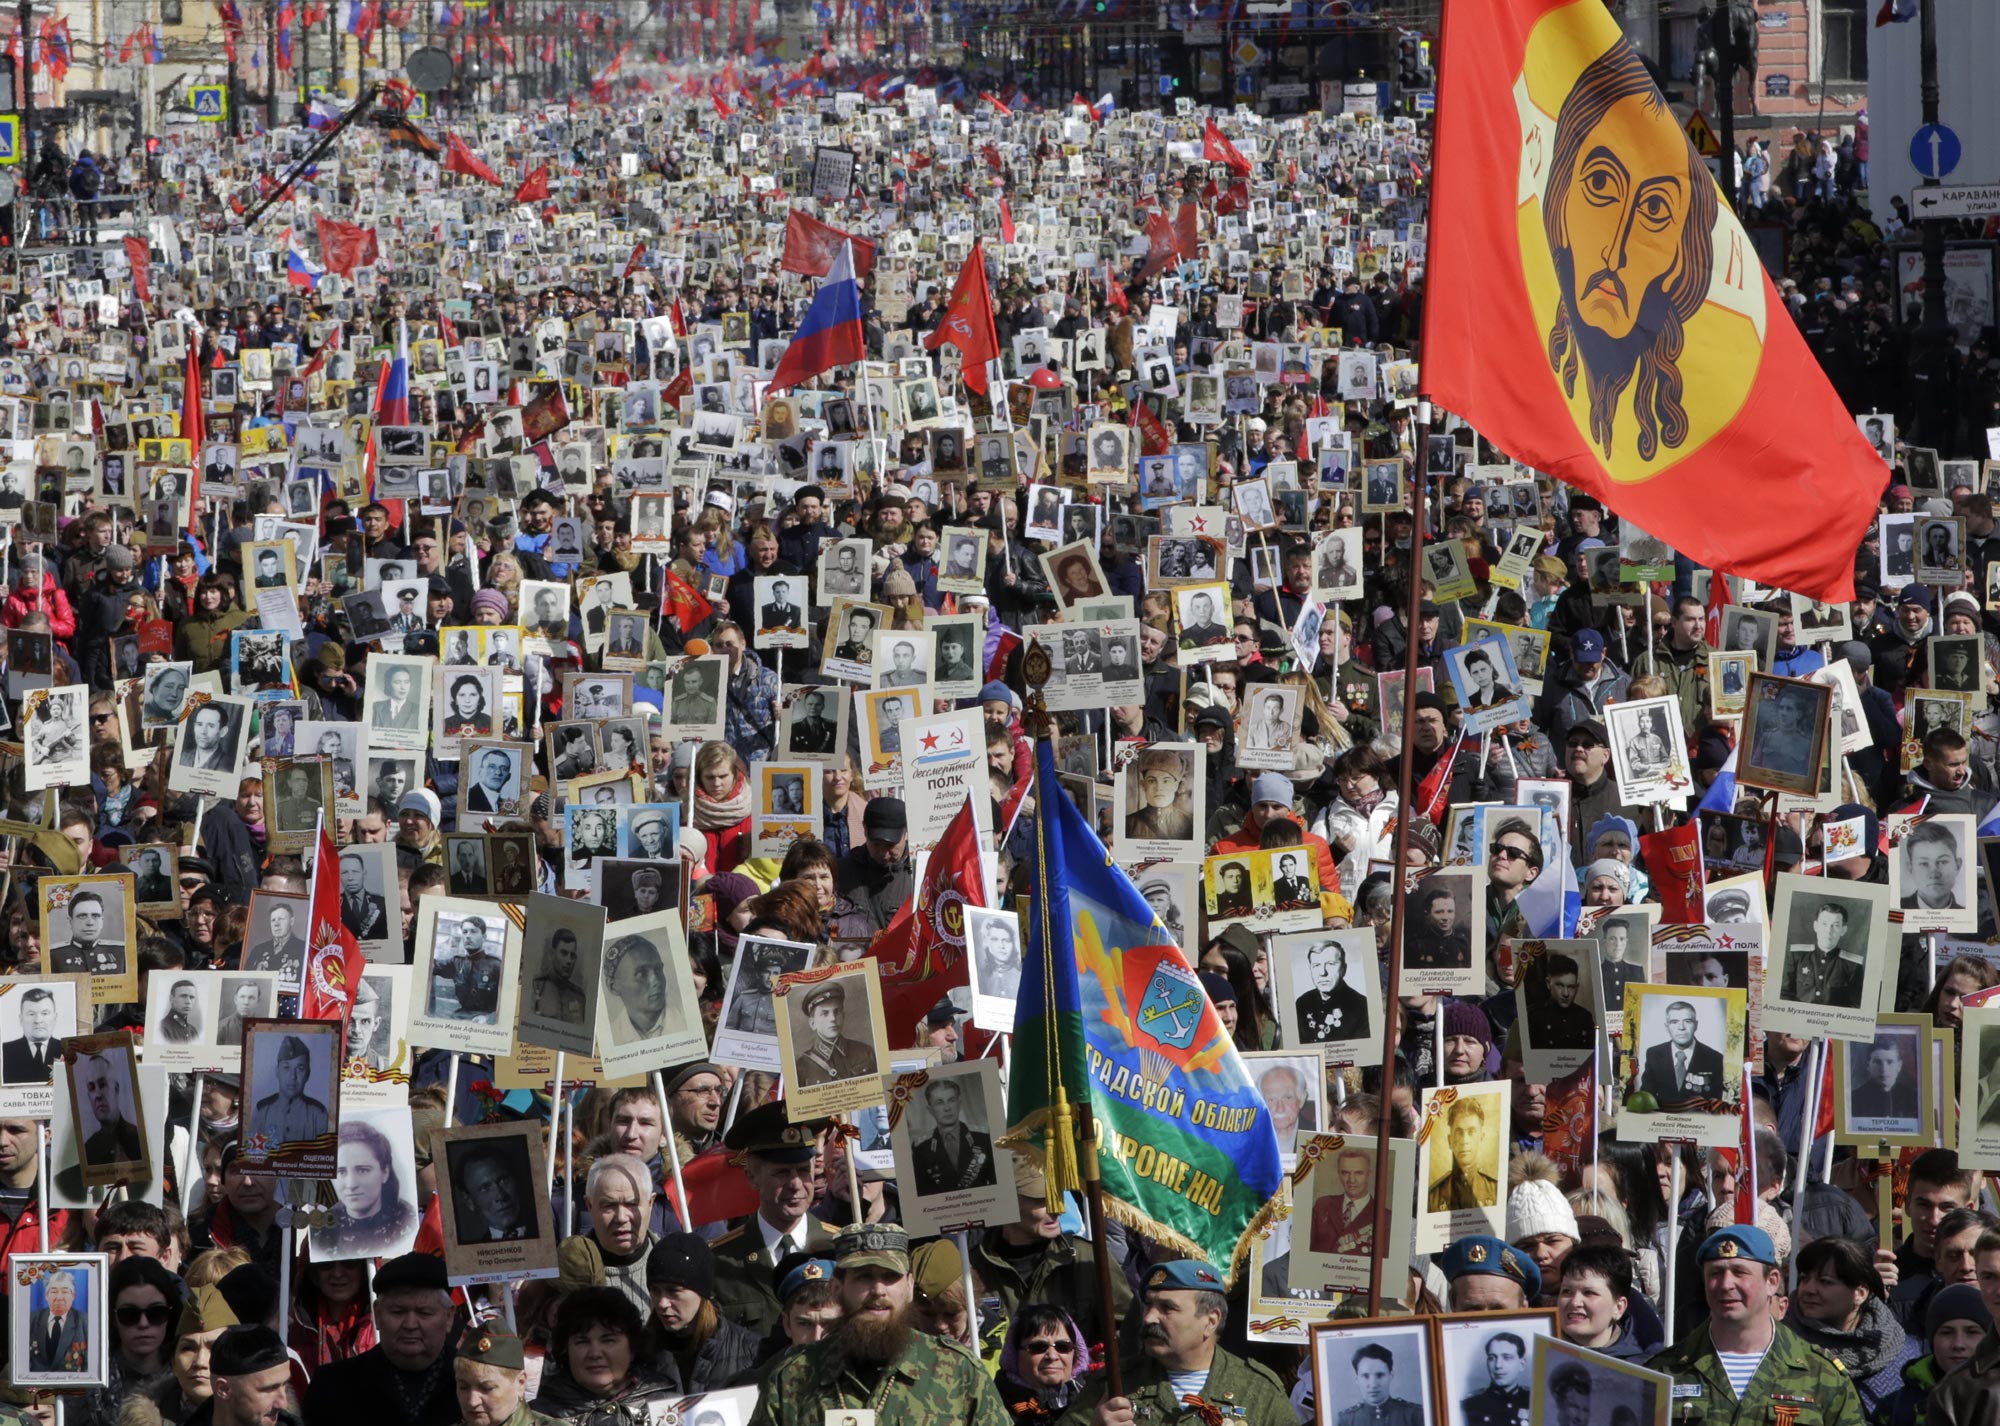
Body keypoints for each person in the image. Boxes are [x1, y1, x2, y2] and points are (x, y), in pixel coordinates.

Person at [1647, 1226, 1867, 1426]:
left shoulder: (1822, 1374)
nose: (1725, 1284)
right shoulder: (1665, 1372)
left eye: (1739, 1272)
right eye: (1715, 1273)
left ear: (1771, 1282)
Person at [1055, 1258, 1291, 1426]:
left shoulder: (1258, 1390)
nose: (1148, 1318)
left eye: (1167, 1308)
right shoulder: (1113, 1386)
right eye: (1148, 1305)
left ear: (1210, 1321)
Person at [712, 1103, 839, 1335]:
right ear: (752, 1177)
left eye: (803, 1170)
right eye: (781, 1172)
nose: (795, 1184)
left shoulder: (840, 1248)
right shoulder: (720, 1261)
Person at [302, 1253, 461, 1426]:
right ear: (377, 1314)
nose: (410, 1324)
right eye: (397, 1312)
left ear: (448, 1317)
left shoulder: (476, 1384)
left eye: (424, 1313)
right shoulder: (332, 1385)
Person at [911, 1077, 995, 1196]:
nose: (947, 1108)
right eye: (939, 1102)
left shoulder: (983, 1138)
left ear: (959, 1104)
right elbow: (922, 1192)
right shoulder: (921, 1148)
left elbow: (996, 1182)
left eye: (951, 1100)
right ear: (930, 1110)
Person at [1637, 999, 1725, 1105]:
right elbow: (1646, 1097)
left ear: (1696, 1025)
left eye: (1688, 1021)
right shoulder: (1654, 1054)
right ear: (1667, 1027)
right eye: (1674, 1022)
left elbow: (1716, 1102)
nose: (1681, 1027)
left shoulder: (1715, 1058)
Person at [792, 982, 876, 1086]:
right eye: (824, 1013)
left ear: (843, 1016)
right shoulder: (801, 1067)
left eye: (837, 1012)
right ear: (813, 1023)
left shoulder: (865, 1052)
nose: (833, 1018)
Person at [1785, 899, 1865, 1007]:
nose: (1829, 931)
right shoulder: (1796, 956)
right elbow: (1784, 994)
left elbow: (1855, 1005)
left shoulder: (1853, 965)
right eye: (1824, 924)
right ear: (1815, 926)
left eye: (1835, 925)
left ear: (1843, 930)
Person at [252, 1034, 329, 1145]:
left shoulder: (318, 1113)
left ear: (308, 1074)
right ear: (277, 1071)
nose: (293, 1076)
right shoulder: (262, 1110)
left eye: (300, 1068)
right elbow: (254, 1155)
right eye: (286, 1067)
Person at [1427, 1095, 1497, 1210]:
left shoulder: (1495, 1190)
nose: (1465, 1141)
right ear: (1450, 1140)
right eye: (1459, 1132)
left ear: (1481, 1138)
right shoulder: (1432, 1197)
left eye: (1471, 1132)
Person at [1296, 939, 1368, 1043]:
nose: (1322, 972)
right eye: (1316, 965)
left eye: (1330, 964)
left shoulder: (1362, 1006)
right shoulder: (1302, 1003)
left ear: (1343, 969)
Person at [29, 1268, 87, 1372]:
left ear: (73, 1296)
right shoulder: (31, 1319)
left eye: (65, 1291)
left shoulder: (84, 1320)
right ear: (46, 1296)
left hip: (72, 1385)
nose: (59, 1297)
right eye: (54, 1291)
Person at [529, 928, 588, 1026]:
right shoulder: (535, 987)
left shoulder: (579, 997)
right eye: (564, 953)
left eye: (572, 955)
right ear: (552, 954)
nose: (569, 961)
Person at [3, 985, 61, 1082]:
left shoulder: (68, 1050)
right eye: (31, 1014)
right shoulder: (4, 1051)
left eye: (45, 1013)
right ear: (21, 1019)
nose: (38, 1020)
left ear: (55, 1017)